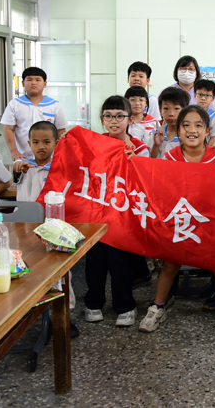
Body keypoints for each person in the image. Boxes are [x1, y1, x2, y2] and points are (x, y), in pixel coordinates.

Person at [138, 106, 215, 338]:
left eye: (198, 125)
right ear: (179, 129)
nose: (192, 130)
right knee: (170, 265)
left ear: (207, 131)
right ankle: (157, 307)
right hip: (180, 220)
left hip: (210, 223)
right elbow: (155, 183)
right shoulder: (169, 157)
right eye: (186, 125)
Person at [84, 96, 149, 327]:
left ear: (130, 119)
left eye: (120, 116)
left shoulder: (140, 147)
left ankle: (125, 305)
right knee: (95, 260)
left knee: (119, 261)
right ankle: (93, 303)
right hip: (98, 213)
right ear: (102, 120)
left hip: (124, 215)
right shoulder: (94, 143)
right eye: (109, 116)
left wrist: (136, 162)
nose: (114, 121)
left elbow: (148, 180)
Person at [1, 67, 68, 163]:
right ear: (23, 83)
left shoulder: (54, 105)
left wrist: (61, 153)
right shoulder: (15, 104)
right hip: (23, 158)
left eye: (37, 80)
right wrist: (14, 151)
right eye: (29, 79)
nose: (33, 83)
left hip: (49, 158)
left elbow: (61, 130)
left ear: (45, 84)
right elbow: (8, 129)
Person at [13, 121, 58, 202]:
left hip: (47, 212)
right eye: (35, 142)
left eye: (46, 142)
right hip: (24, 212)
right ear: (30, 144)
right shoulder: (24, 164)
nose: (41, 147)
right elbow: (16, 167)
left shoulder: (57, 168)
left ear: (56, 143)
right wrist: (18, 167)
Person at [151, 87, 189, 158]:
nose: (171, 114)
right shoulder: (156, 133)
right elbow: (150, 159)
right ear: (160, 111)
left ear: (185, 110)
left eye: (176, 108)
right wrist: (156, 145)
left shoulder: (189, 135)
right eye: (166, 108)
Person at [194, 79, 215, 147]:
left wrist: (206, 153)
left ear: (213, 98)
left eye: (207, 95)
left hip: (208, 149)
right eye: (200, 94)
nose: (203, 98)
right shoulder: (188, 114)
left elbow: (213, 138)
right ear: (195, 96)